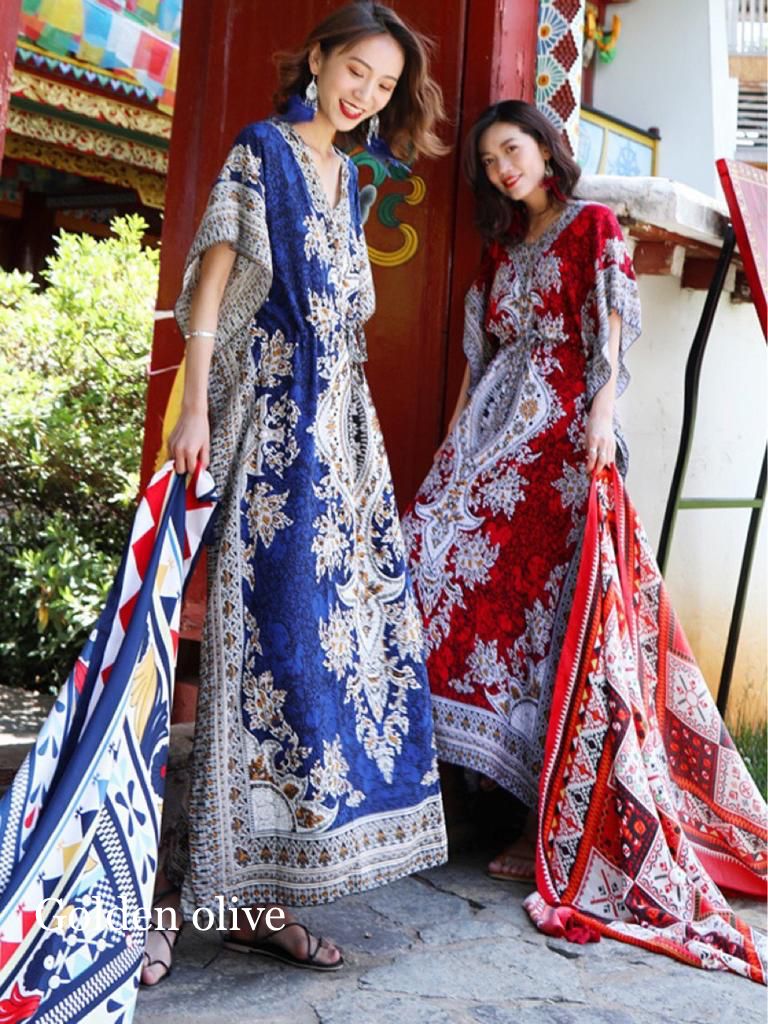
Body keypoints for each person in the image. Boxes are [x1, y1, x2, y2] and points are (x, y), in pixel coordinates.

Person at [402, 100, 767, 980]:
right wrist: (452, 444)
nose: (503, 169)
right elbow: (481, 360)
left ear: (546, 146)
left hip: (561, 439)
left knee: (549, 624)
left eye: (512, 149)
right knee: (426, 566)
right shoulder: (501, 249)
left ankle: (544, 818)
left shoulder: (592, 226)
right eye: (490, 161)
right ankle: (456, 791)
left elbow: (608, 338)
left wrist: (602, 421)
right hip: (492, 438)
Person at [141, 1, 449, 985]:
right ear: (318, 59)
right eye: (356, 70)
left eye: (385, 86)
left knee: (321, 665)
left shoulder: (349, 176)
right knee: (254, 658)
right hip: (269, 438)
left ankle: (257, 903)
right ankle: (173, 897)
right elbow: (211, 285)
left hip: (344, 453)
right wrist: (194, 407)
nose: (366, 95)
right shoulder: (261, 152)